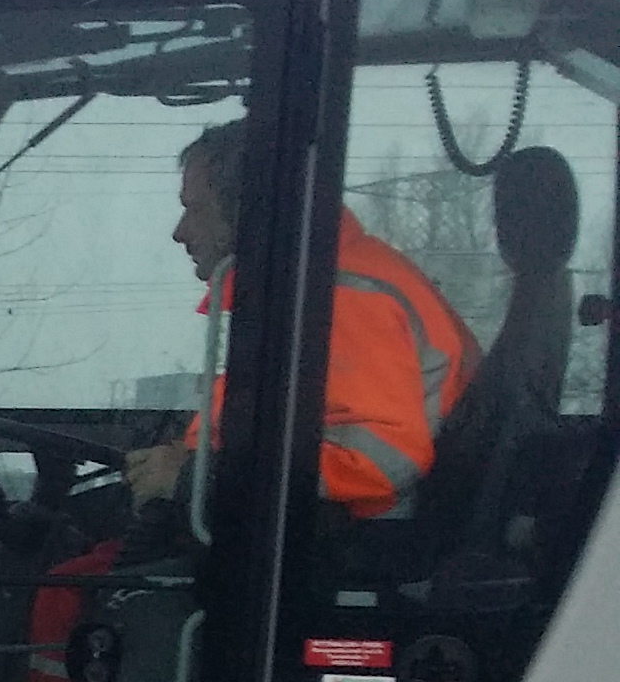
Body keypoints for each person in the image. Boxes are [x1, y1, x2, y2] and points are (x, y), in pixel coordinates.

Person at [121, 118, 479, 520]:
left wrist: (197, 475)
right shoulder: (296, 293)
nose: (179, 232)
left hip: (346, 551)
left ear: (249, 211)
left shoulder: (339, 299)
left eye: (195, 210)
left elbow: (375, 464)